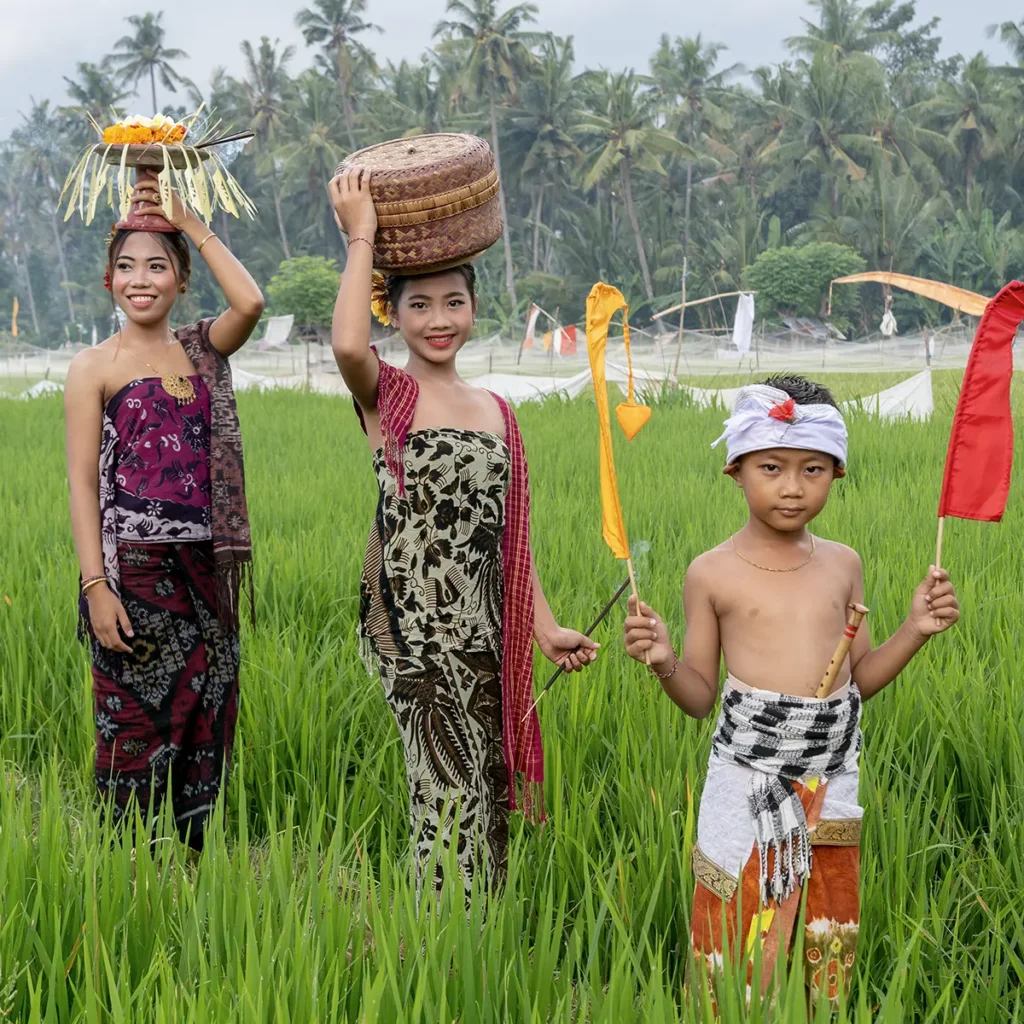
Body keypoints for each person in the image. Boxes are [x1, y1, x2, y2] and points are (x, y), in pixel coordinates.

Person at [623, 374, 960, 1009]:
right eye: (771, 467)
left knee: (827, 920)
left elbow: (857, 683)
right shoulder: (711, 572)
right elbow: (700, 698)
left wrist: (915, 629)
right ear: (736, 469)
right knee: (733, 912)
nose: (791, 487)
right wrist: (665, 661)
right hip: (746, 777)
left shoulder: (843, 563)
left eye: (813, 469)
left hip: (831, 771)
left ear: (836, 471)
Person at [328, 166, 598, 900]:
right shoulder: (390, 394)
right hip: (409, 627)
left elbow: (510, 538)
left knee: (486, 786)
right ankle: (439, 950)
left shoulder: (495, 410)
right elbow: (348, 347)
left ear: (476, 308)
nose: (438, 318)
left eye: (454, 302)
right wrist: (362, 238)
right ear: (396, 313)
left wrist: (545, 628)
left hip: (484, 628)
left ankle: (483, 949)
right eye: (420, 305)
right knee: (444, 793)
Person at [64, 173, 264, 852]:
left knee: (206, 719)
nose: (140, 279)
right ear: (108, 280)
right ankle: (126, 881)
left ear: (181, 279)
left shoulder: (202, 348)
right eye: (126, 266)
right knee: (136, 729)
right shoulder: (93, 366)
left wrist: (193, 222)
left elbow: (252, 300)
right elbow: (83, 484)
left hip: (205, 571)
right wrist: (96, 587)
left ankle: (192, 873)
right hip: (136, 576)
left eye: (158, 265)